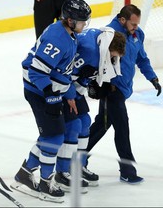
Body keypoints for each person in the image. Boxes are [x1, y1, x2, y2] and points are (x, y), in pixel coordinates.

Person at [10, 0, 91, 203]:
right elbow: (37, 72)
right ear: (70, 20)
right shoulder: (58, 38)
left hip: (51, 90)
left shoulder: (68, 34)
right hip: (38, 90)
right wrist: (51, 97)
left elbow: (63, 70)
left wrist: (68, 94)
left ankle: (25, 174)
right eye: (81, 21)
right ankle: (45, 182)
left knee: (61, 130)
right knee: (54, 136)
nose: (84, 25)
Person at [84, 4, 162, 184]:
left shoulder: (137, 34)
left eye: (137, 24)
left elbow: (141, 58)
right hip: (111, 90)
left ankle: (77, 157)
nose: (136, 27)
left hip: (124, 88)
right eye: (133, 24)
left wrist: (152, 77)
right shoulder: (109, 35)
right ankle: (128, 170)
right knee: (122, 128)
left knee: (101, 126)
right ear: (122, 20)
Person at [54, 27, 126, 191]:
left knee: (85, 122)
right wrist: (71, 94)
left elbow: (81, 74)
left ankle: (77, 166)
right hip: (59, 86)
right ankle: (62, 172)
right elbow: (66, 73)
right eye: (113, 55)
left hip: (71, 86)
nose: (113, 59)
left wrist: (85, 84)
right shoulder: (90, 52)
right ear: (108, 48)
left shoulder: (102, 38)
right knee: (73, 127)